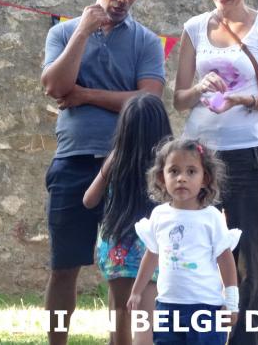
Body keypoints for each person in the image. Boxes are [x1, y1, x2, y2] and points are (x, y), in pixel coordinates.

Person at [41, 0, 165, 345]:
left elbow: (148, 100)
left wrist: (85, 94)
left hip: (129, 166)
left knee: (124, 272)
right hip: (72, 160)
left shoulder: (146, 41)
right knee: (63, 267)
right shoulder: (63, 34)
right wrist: (82, 31)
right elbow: (54, 86)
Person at [173, 0, 258, 345]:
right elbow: (179, 99)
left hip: (249, 158)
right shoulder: (193, 27)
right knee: (191, 256)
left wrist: (247, 100)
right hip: (198, 158)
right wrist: (199, 87)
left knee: (250, 265)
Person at [127, 138, 241, 344]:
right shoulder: (159, 216)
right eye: (174, 171)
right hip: (167, 306)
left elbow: (226, 261)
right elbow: (151, 255)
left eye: (191, 171)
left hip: (206, 308)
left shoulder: (212, 218)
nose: (181, 178)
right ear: (161, 177)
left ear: (205, 178)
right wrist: (136, 291)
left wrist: (232, 303)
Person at [83, 93, 172, 345]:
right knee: (145, 320)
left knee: (119, 312)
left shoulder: (117, 160)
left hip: (116, 246)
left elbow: (89, 200)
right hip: (152, 250)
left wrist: (110, 161)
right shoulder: (168, 166)